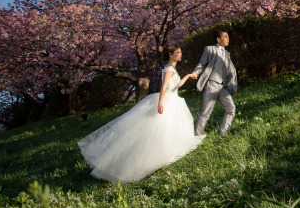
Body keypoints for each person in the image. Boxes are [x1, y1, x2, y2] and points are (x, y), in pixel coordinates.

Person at [77, 45, 206, 183]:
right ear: (170, 54)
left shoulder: (172, 69)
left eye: (181, 52)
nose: (180, 54)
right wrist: (160, 103)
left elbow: (176, 86)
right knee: (159, 129)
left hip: (173, 98)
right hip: (167, 99)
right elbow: (164, 87)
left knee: (168, 128)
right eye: (177, 52)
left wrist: (187, 76)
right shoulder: (168, 69)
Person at [191, 30, 237, 136]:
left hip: (223, 87)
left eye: (228, 37)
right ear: (218, 39)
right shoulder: (210, 49)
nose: (227, 39)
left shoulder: (226, 54)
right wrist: (195, 72)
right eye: (225, 37)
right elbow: (202, 63)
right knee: (206, 112)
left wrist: (232, 88)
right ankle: (198, 135)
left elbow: (230, 72)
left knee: (231, 108)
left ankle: (224, 133)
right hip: (211, 85)